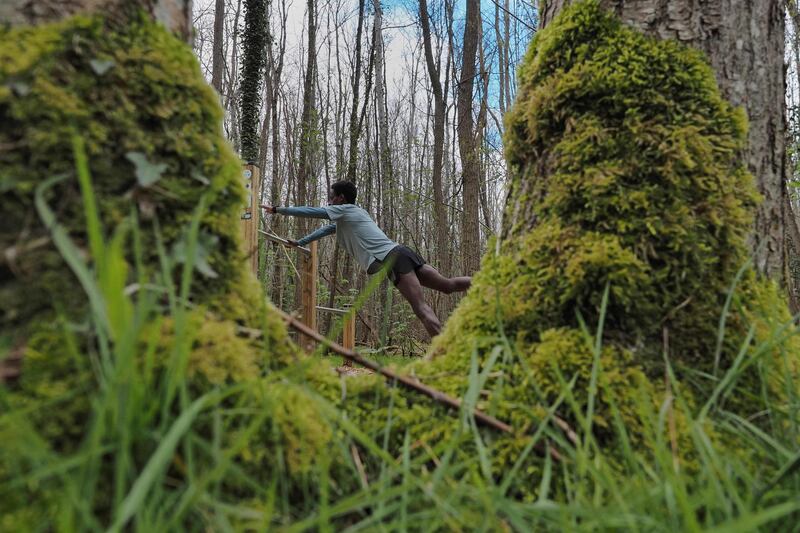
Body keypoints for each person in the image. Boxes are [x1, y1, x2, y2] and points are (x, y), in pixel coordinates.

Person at [262, 180, 471, 338]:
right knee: (448, 285)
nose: (329, 201)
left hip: (393, 258)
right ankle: (490, 279)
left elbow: (311, 212)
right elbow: (326, 230)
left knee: (421, 308)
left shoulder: (345, 210)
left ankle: (447, 352)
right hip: (403, 252)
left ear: (341, 198)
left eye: (331, 197)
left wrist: (278, 210)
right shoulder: (350, 216)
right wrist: (300, 242)